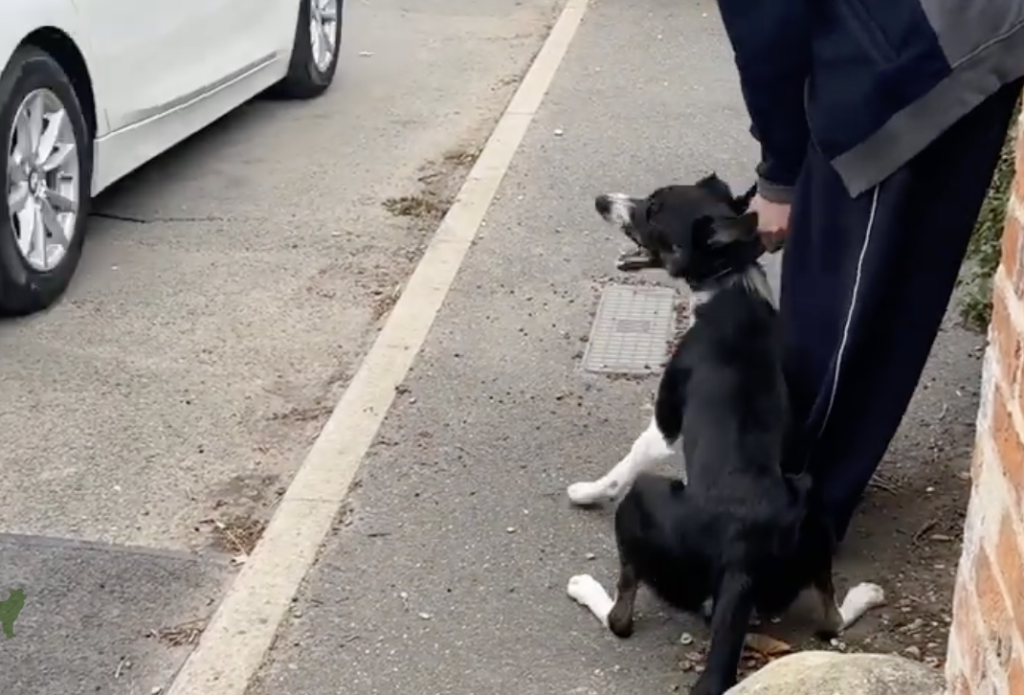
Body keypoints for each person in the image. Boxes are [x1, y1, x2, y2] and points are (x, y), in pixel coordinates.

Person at [714, 0, 1024, 544]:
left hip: (919, 52)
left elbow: (766, 17)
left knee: (858, 301)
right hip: (923, 29)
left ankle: (785, 532)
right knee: (857, 282)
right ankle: (788, 487)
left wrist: (781, 176)